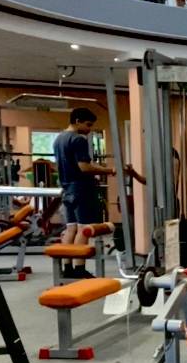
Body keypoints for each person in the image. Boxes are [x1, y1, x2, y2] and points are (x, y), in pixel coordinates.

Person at [53, 107, 133, 278]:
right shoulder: (78, 140)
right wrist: (110, 170)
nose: (89, 129)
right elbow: (84, 167)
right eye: (88, 125)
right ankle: (79, 268)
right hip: (81, 188)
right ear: (77, 121)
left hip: (66, 188)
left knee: (71, 228)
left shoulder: (58, 139)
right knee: (83, 229)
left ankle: (67, 268)